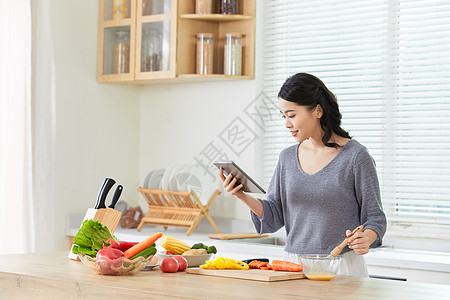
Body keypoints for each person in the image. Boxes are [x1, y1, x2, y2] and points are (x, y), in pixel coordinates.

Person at [220, 73, 387, 276]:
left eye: (292, 115)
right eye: (284, 116)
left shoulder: (355, 157)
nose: (287, 124)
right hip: (293, 266)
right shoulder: (287, 158)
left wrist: (366, 238)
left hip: (341, 266)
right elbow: (274, 215)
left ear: (317, 110)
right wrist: (241, 195)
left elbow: (375, 218)